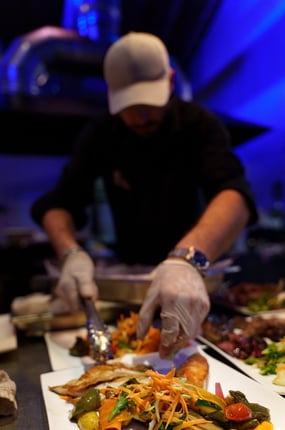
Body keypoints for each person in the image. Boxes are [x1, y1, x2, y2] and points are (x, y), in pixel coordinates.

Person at [31, 31, 258, 358]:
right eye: (130, 106)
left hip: (193, 287)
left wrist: (186, 260)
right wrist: (70, 253)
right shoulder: (100, 135)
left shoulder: (200, 125)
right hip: (129, 288)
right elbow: (58, 203)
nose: (142, 116)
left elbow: (234, 194)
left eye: (150, 103)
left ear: (170, 80)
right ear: (110, 95)